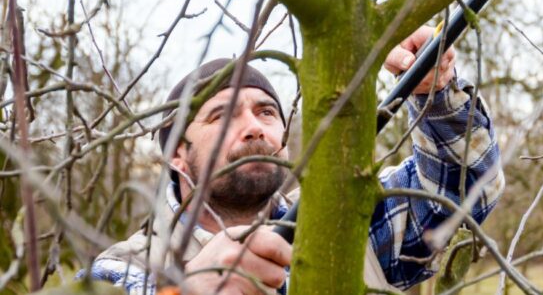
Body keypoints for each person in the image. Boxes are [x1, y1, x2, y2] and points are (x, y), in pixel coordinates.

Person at [86, 27, 505, 294]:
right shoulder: (124, 268)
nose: (253, 127)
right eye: (222, 116)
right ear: (177, 154)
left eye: (267, 112)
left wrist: (432, 92)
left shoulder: (347, 222)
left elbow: (459, 188)